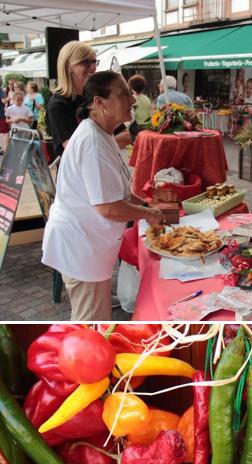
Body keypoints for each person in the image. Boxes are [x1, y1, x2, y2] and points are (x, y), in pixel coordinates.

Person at [42, 71, 163, 320]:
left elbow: (115, 189)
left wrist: (144, 203)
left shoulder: (101, 133)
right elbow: (108, 207)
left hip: (88, 245)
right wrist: (148, 213)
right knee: (90, 324)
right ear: (99, 102)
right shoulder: (92, 142)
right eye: (123, 94)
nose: (131, 100)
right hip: (82, 247)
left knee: (96, 318)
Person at [47, 41, 134, 159]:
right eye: (85, 62)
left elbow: (126, 136)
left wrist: (98, 147)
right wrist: (106, 144)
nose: (93, 67)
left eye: (94, 62)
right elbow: (76, 151)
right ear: (69, 66)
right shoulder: (58, 104)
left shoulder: (97, 97)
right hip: (78, 175)